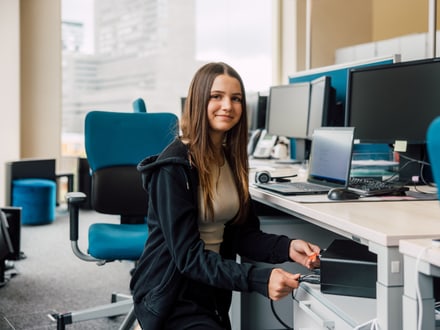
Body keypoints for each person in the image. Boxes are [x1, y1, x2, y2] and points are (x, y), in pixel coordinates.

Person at [130, 62, 321, 329]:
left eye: (236, 99)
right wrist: (259, 279)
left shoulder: (230, 161)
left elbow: (242, 235)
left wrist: (288, 248)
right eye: (216, 97)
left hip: (213, 289)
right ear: (199, 101)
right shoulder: (174, 168)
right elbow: (188, 258)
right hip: (171, 294)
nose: (228, 106)